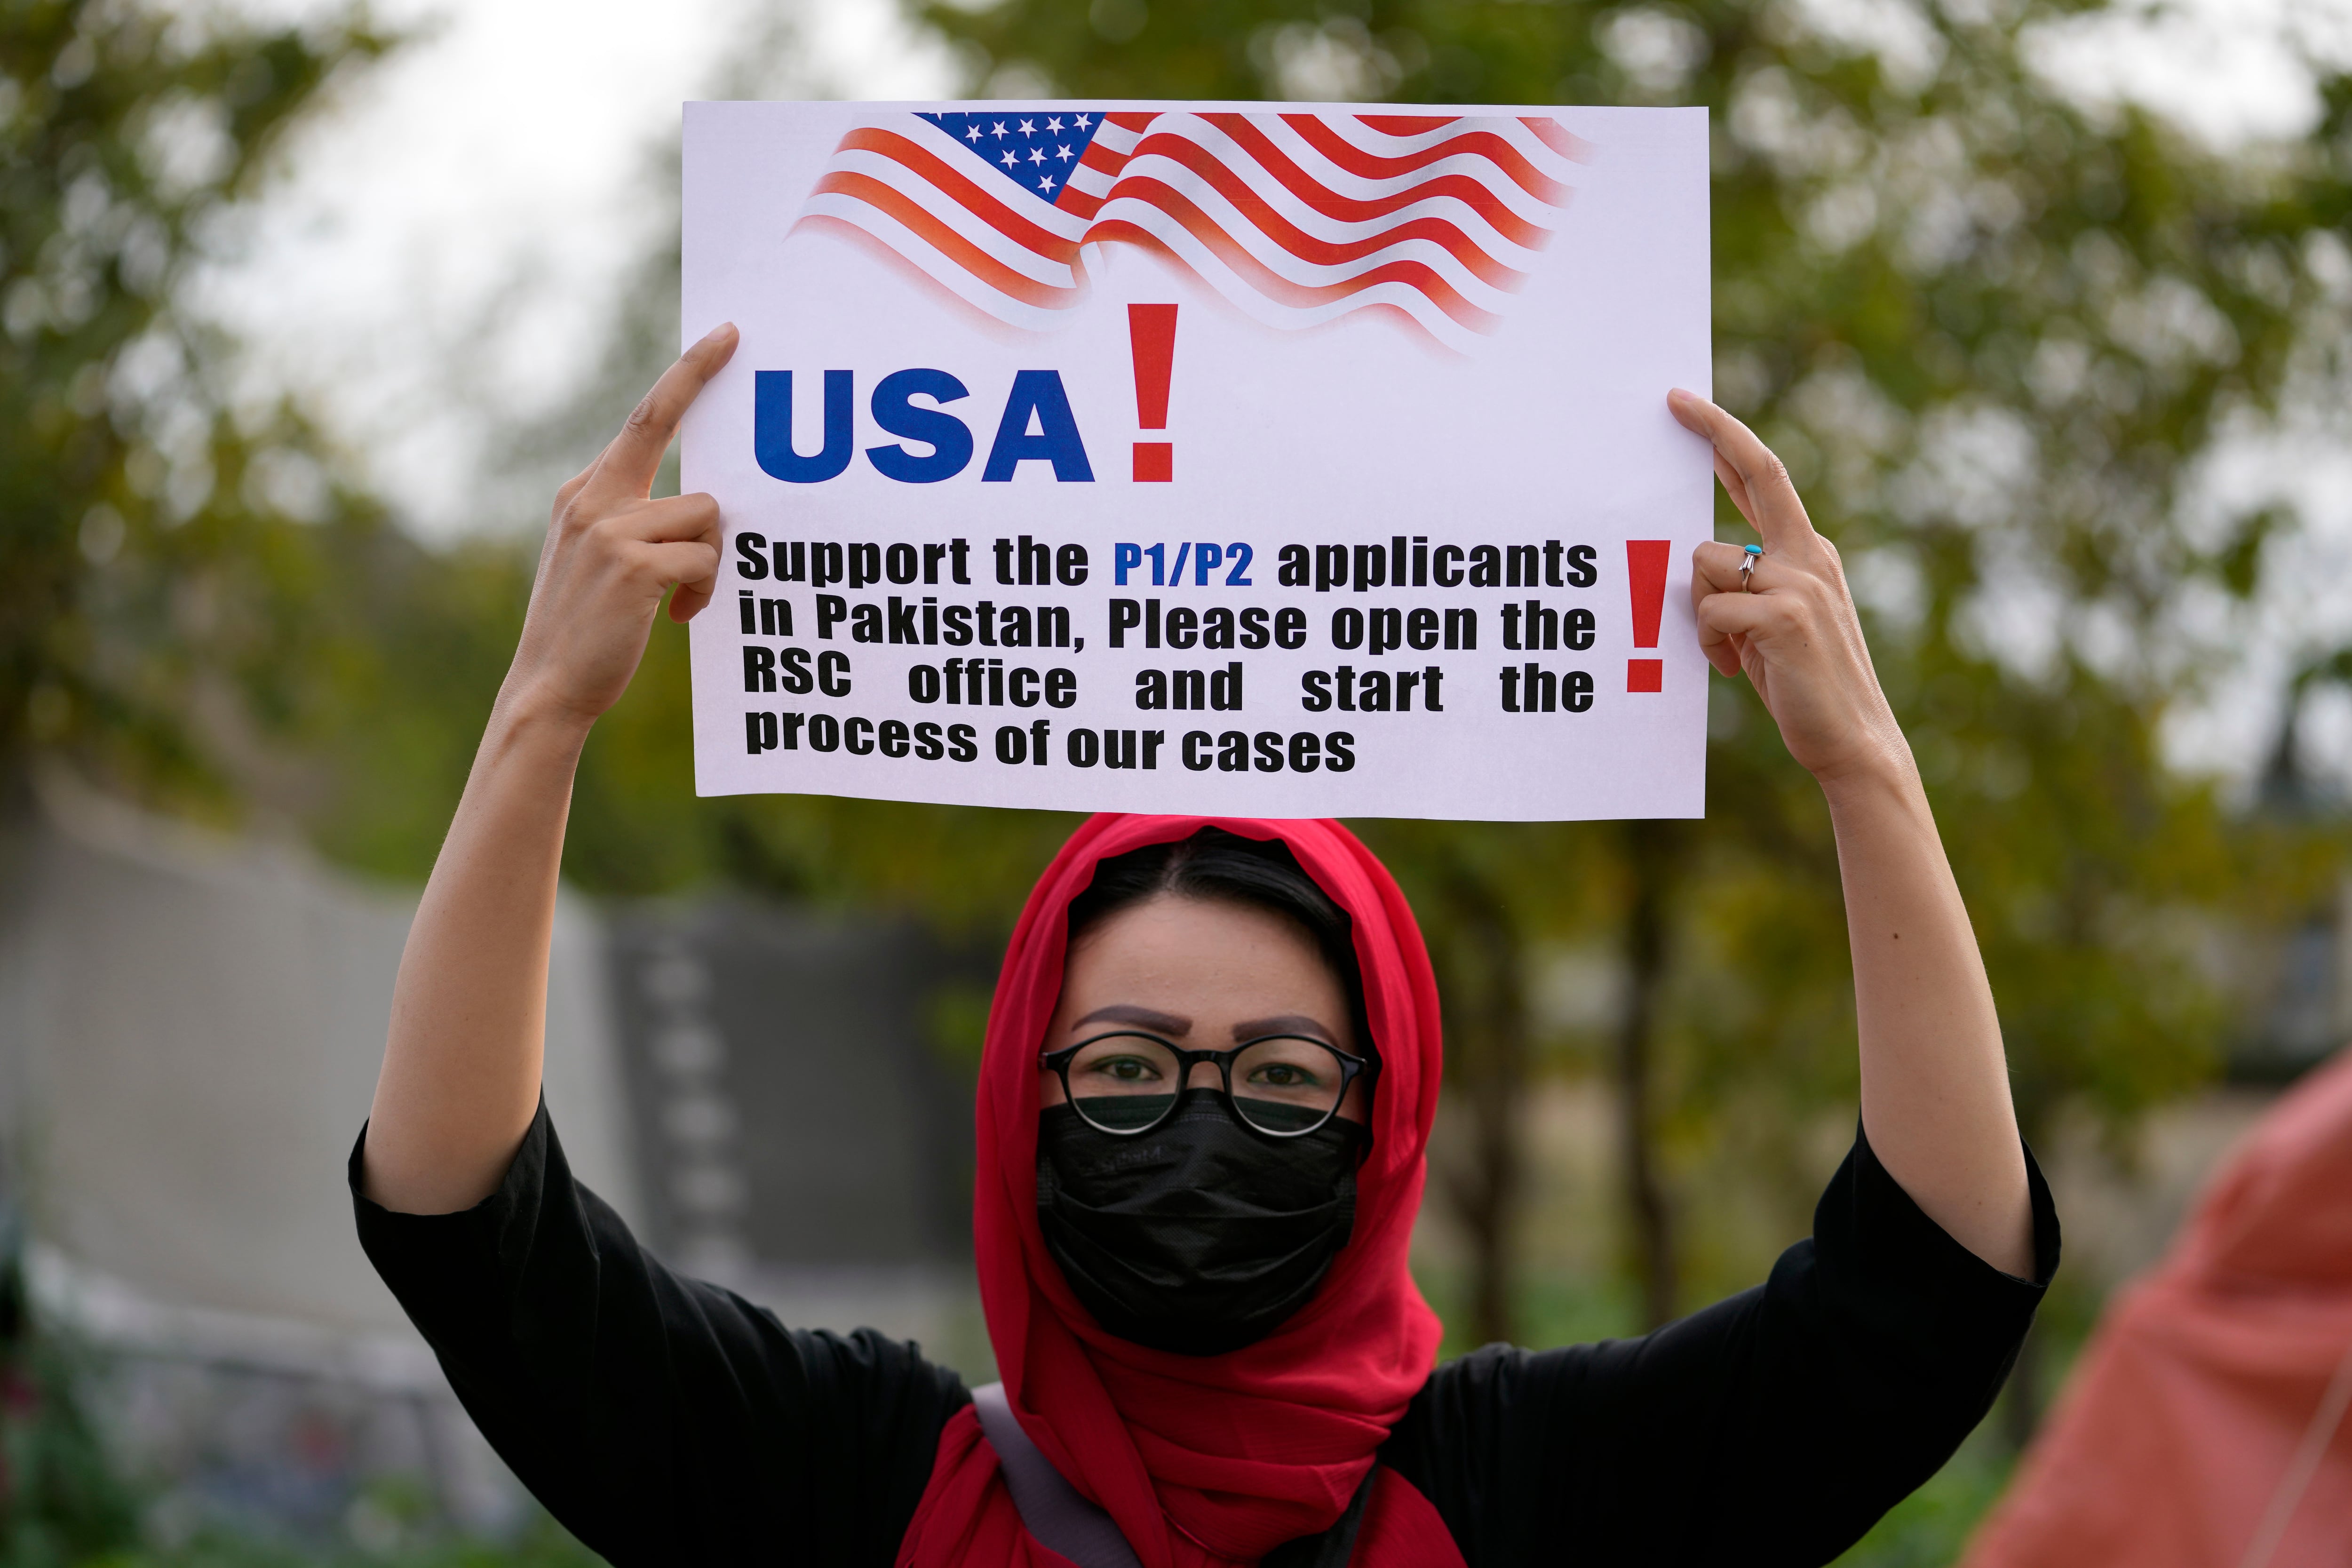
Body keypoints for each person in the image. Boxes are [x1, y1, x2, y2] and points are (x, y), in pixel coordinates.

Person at [354, 324, 2058, 1567]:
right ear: (1023, 1092)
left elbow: (1934, 1287)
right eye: (1124, 1068)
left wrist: (1863, 768)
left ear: (1381, 1121)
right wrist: (541, 721)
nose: (1197, 1118)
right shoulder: (858, 1484)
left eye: (1281, 1076)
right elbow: (460, 1223)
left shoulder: (1537, 1493)